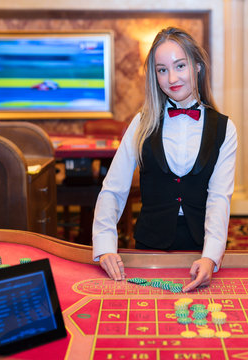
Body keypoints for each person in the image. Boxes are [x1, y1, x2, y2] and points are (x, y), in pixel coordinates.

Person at [92, 27, 237, 292]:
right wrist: (105, 247)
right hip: (149, 246)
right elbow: (113, 190)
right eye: (162, 70)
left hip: (200, 247)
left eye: (180, 66)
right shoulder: (141, 123)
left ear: (197, 67)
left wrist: (211, 257)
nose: (172, 78)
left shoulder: (225, 128)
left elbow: (219, 198)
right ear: (154, 75)